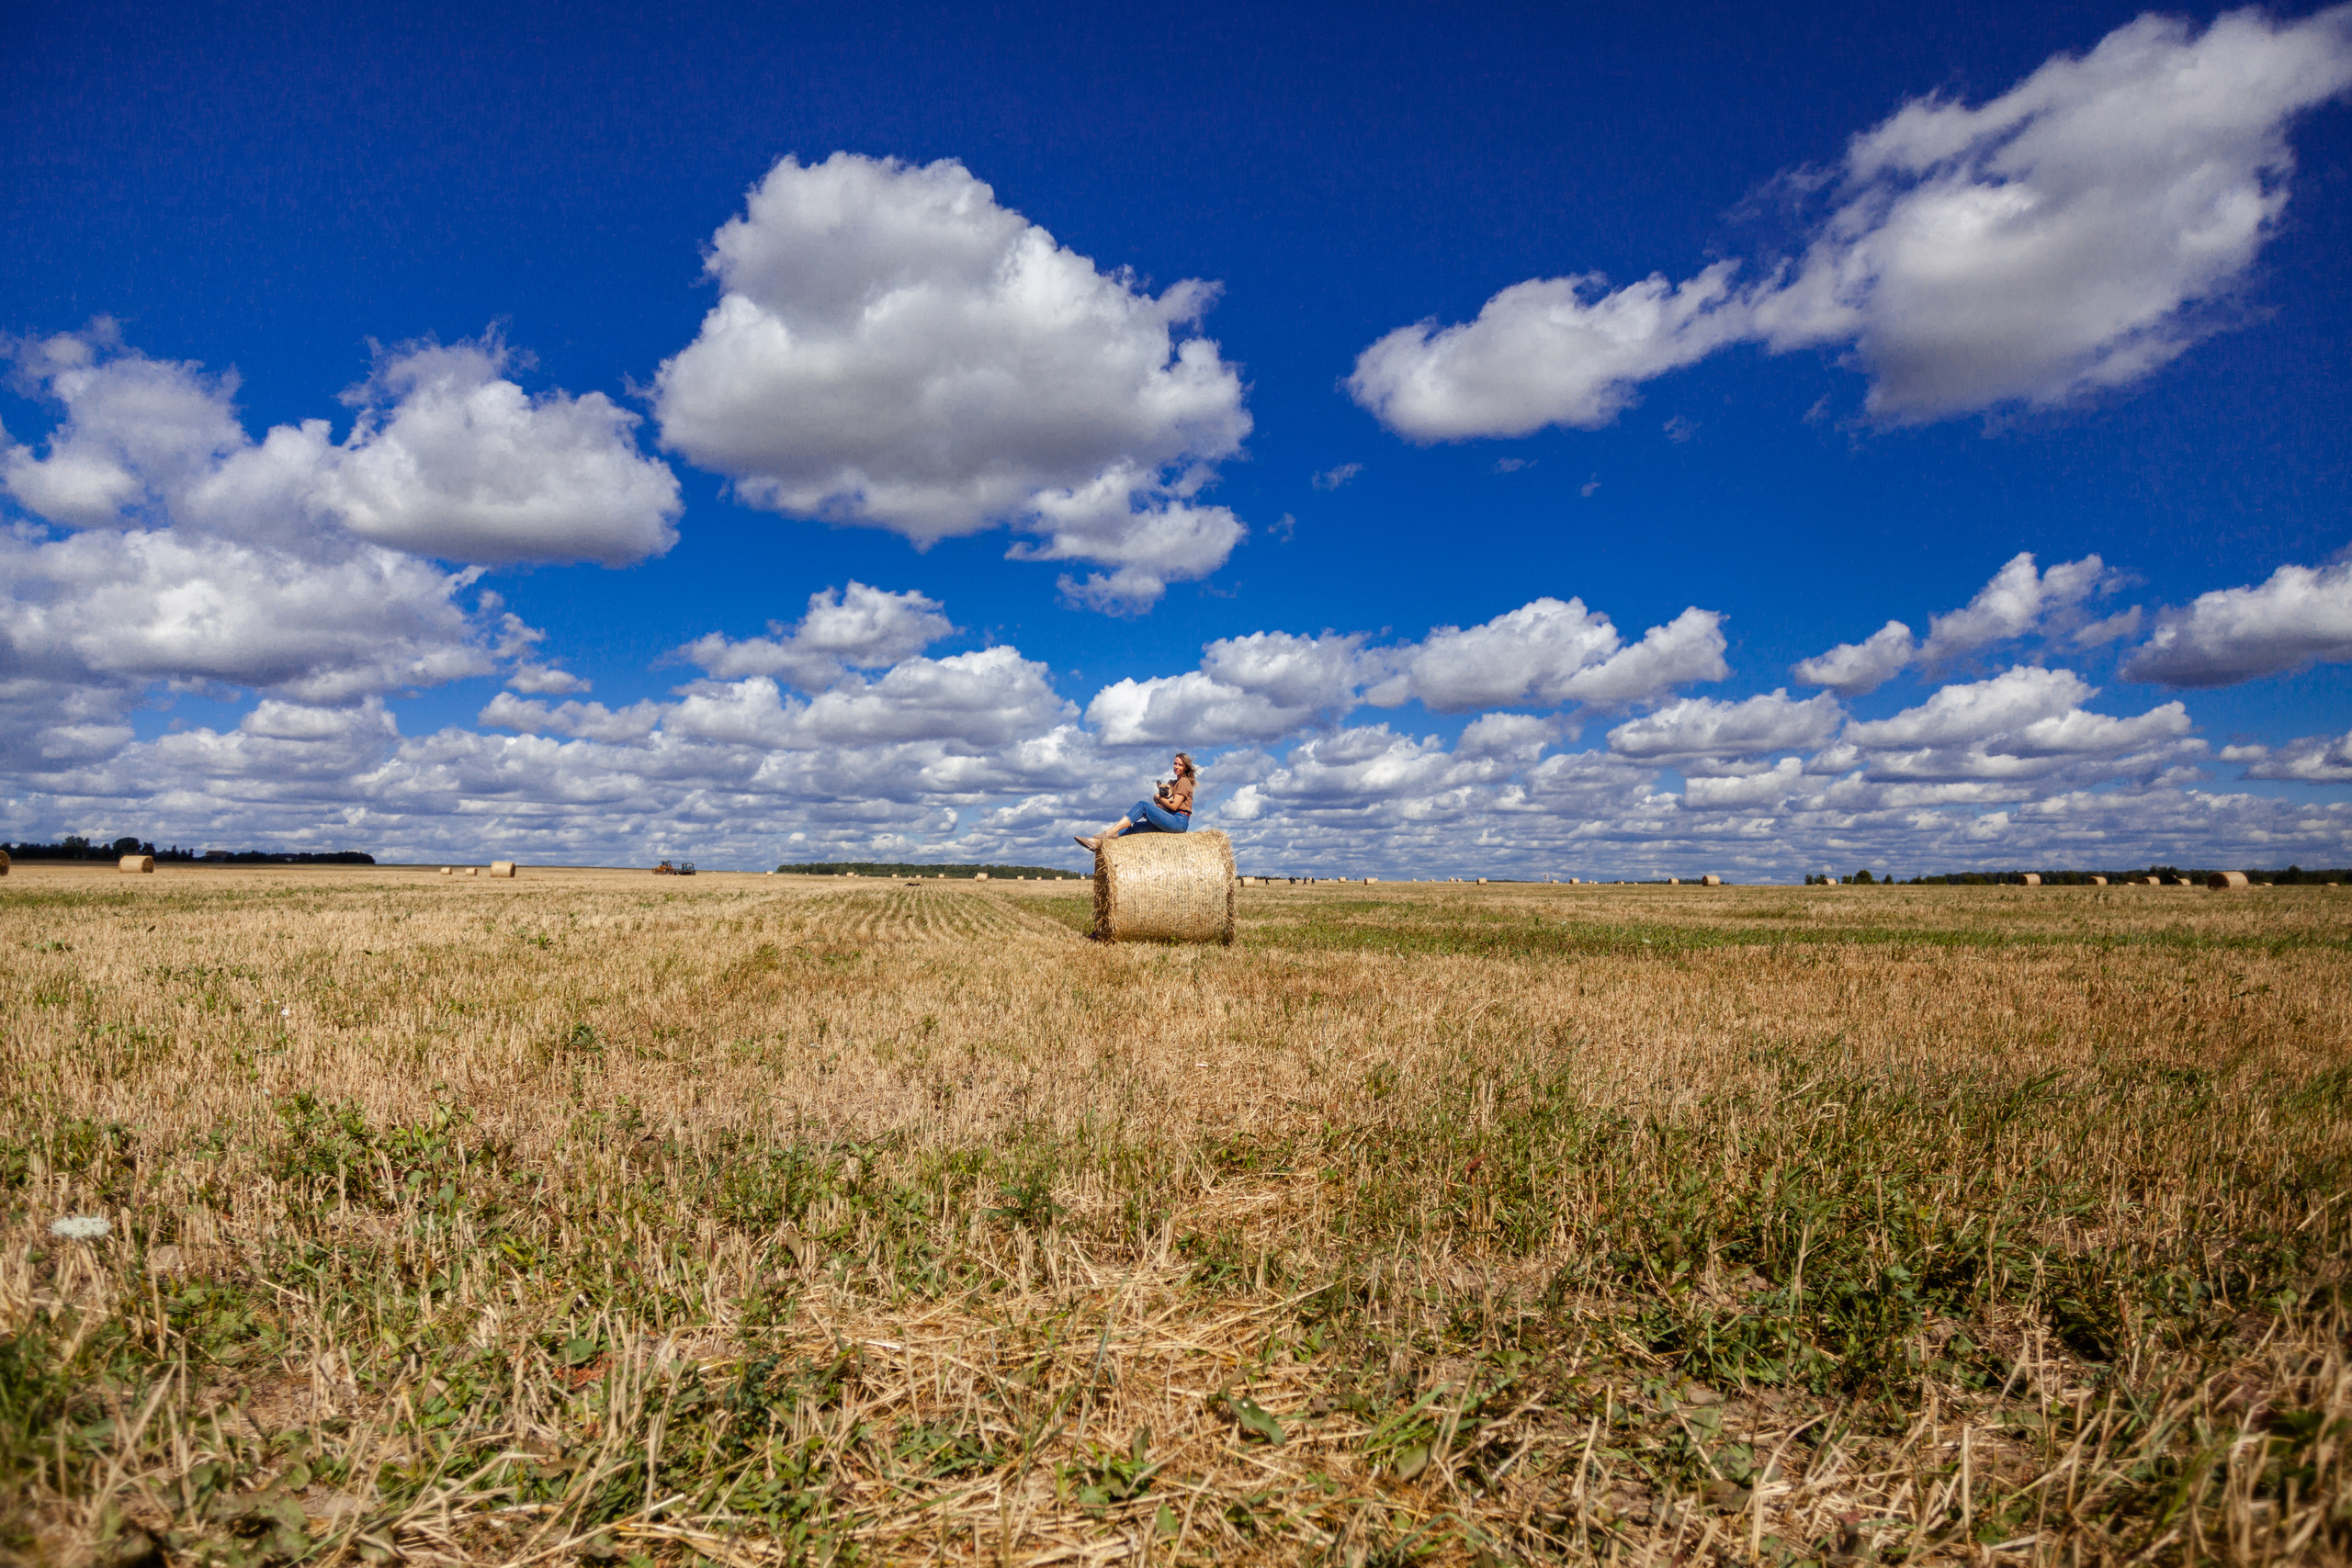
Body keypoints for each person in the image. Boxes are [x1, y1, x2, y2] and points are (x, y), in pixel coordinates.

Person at [1076, 752, 1196, 851]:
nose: (1176, 767)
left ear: (1186, 767)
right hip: (1171, 818)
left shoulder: (1184, 782)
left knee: (1142, 805)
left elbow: (1174, 806)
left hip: (1178, 821)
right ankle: (1098, 843)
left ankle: (1112, 831)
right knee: (1135, 827)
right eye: (1175, 763)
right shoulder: (1175, 783)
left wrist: (1159, 797)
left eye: (1180, 765)